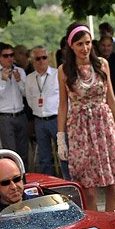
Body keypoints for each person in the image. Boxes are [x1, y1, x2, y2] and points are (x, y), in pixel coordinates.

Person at [57, 22, 115, 212]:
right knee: (88, 188)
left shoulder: (102, 64)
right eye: (80, 44)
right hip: (79, 127)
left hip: (103, 123)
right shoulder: (64, 70)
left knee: (112, 183)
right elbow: (63, 105)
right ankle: (95, 227)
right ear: (71, 45)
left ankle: (113, 224)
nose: (85, 48)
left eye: (87, 43)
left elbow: (111, 98)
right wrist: (61, 138)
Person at [25, 46, 66, 177]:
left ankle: (69, 182)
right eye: (38, 58)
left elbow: (65, 98)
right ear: (32, 61)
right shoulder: (30, 78)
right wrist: (39, 110)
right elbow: (30, 99)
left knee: (64, 153)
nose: (42, 61)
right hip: (40, 120)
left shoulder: (56, 74)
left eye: (44, 57)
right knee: (44, 157)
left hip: (56, 118)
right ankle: (49, 184)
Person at [0, 43, 29, 169]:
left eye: (12, 55)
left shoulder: (20, 71)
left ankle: (24, 180)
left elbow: (26, 93)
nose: (10, 58)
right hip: (5, 117)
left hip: (20, 115)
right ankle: (13, 179)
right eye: (6, 56)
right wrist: (3, 80)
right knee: (11, 154)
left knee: (24, 152)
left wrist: (19, 81)